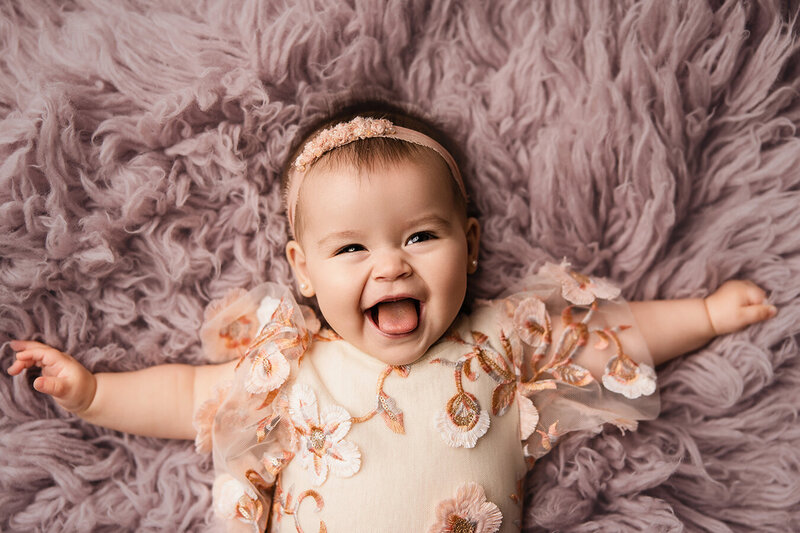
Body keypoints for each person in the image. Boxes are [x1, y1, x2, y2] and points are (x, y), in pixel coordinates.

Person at [7, 105, 777, 533]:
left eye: (419, 235)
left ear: (468, 244)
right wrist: (92, 390)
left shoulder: (504, 341)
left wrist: (705, 313)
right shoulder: (293, 368)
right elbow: (186, 397)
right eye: (350, 247)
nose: (390, 266)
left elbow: (609, 335)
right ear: (303, 270)